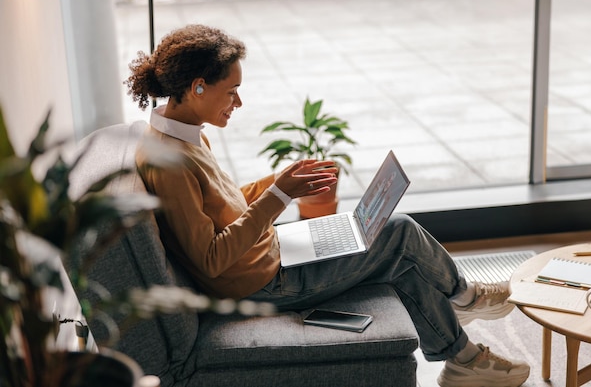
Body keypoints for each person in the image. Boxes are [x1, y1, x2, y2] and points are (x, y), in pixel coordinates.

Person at [129, 24, 530, 387]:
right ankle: (465, 298)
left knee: (390, 251)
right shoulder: (170, 162)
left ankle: (463, 359)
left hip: (271, 256)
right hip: (261, 285)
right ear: (198, 87)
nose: (238, 101)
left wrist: (282, 180)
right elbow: (212, 259)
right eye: (231, 90)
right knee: (398, 230)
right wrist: (280, 196)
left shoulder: (183, 132)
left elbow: (224, 205)